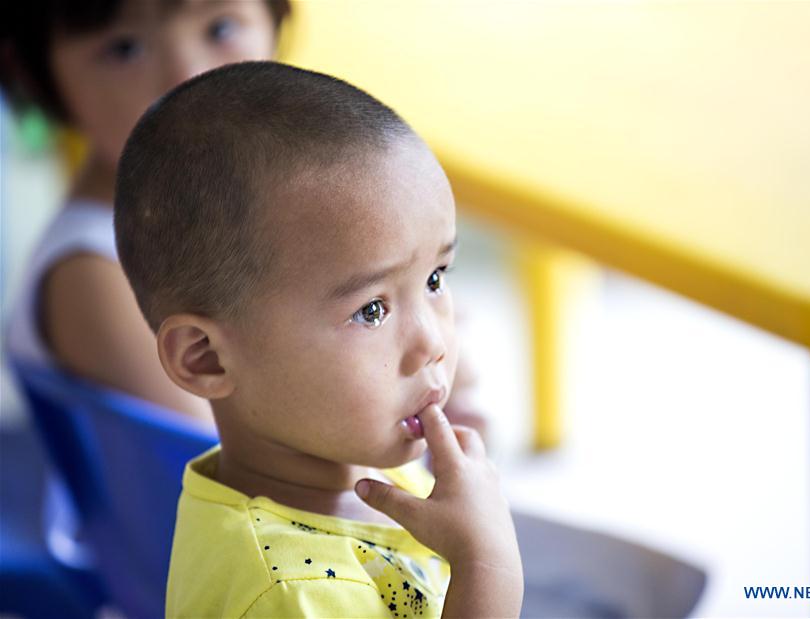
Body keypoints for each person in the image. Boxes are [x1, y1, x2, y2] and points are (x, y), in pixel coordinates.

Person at [114, 60, 522, 617]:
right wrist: (488, 569)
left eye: (434, 279)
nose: (432, 342)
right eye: (371, 310)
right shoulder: (288, 595)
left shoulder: (344, 454)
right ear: (205, 357)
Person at [1, 0, 487, 436]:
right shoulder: (93, 277)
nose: (187, 76)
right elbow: (229, 475)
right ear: (34, 73)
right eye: (125, 49)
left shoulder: (287, 204)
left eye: (220, 27)